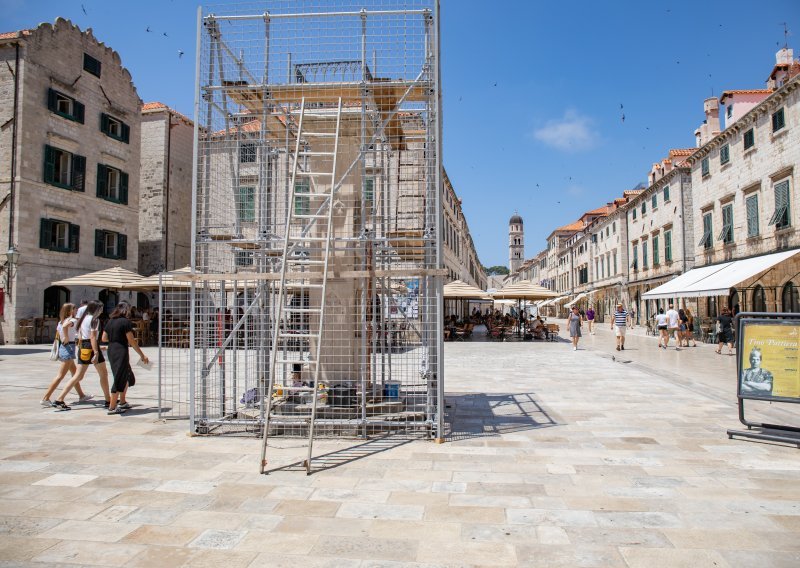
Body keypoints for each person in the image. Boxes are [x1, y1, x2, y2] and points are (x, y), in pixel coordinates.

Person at [52, 301, 111, 410]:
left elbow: (79, 335)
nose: (102, 310)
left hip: (83, 346)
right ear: (97, 309)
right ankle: (108, 400)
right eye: (101, 308)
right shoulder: (94, 320)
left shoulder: (83, 319)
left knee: (78, 375)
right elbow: (93, 337)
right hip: (91, 346)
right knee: (103, 373)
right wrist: (96, 351)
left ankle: (59, 399)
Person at [41, 303, 93, 406]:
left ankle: (81, 395)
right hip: (68, 347)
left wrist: (64, 337)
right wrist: (65, 337)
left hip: (65, 347)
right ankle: (45, 398)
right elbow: (66, 328)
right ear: (70, 311)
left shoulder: (61, 321)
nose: (76, 310)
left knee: (75, 374)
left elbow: (62, 329)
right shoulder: (71, 321)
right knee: (61, 376)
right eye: (74, 309)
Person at [102, 302, 149, 415]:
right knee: (119, 377)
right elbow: (131, 341)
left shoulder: (110, 321)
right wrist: (142, 355)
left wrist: (115, 338)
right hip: (121, 351)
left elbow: (104, 338)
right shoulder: (125, 322)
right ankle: (112, 407)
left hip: (111, 349)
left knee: (125, 375)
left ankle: (122, 402)